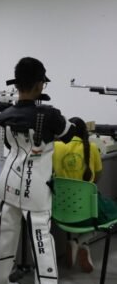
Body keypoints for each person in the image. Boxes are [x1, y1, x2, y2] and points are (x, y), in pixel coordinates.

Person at [0, 57, 77, 284]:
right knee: (42, 244)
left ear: (17, 85)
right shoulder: (49, 115)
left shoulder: (4, 115)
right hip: (35, 187)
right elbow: (68, 133)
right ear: (40, 84)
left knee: (6, 235)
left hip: (8, 183)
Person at [53, 116, 117, 273]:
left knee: (91, 212)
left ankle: (78, 243)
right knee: (105, 213)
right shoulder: (92, 148)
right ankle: (80, 241)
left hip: (60, 210)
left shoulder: (56, 147)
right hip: (87, 210)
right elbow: (97, 176)